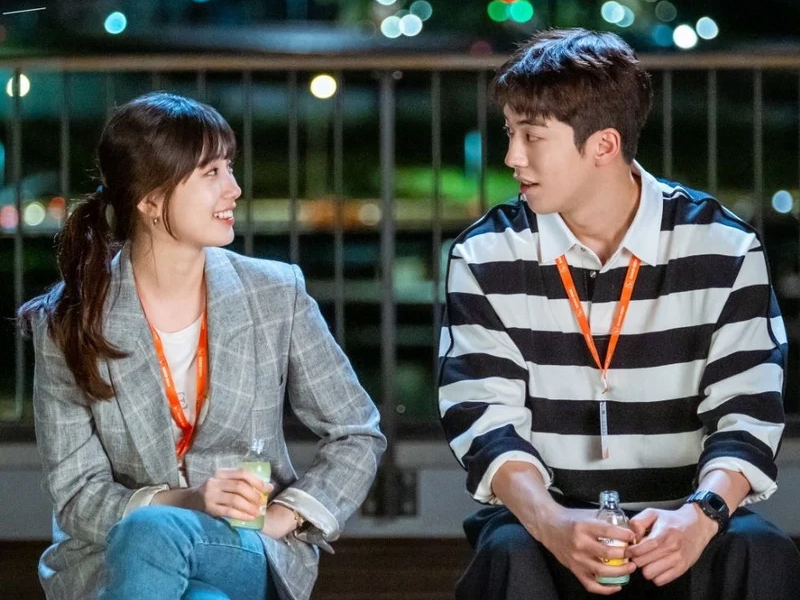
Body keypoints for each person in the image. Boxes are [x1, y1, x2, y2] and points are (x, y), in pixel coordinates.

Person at [438, 28, 800, 600]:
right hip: (551, 521)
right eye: (511, 132)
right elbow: (483, 419)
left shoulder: (724, 247)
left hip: (685, 517)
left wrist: (701, 515)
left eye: (532, 136)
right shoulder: (486, 253)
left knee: (759, 552)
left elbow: (748, 411)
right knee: (510, 553)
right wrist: (553, 523)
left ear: (604, 145)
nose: (512, 157)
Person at [18, 92, 386, 600]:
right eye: (211, 172)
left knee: (157, 538)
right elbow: (78, 496)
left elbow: (356, 432)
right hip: (107, 556)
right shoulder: (67, 320)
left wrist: (286, 515)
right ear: (150, 201)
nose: (234, 188)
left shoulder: (274, 294)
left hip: (242, 547)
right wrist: (187, 500)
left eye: (229, 168)